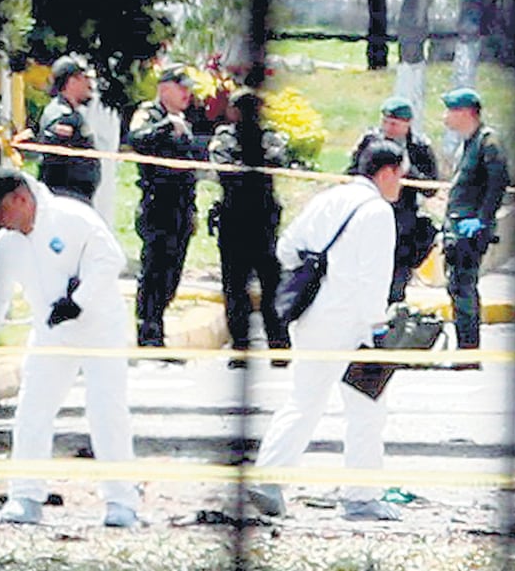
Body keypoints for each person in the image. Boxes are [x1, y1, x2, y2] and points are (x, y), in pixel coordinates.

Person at [0, 166, 139, 527]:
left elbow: (111, 259)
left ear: (20, 198)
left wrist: (79, 300)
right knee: (32, 410)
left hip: (100, 330)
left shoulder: (72, 216)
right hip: (51, 335)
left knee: (106, 412)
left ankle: (122, 503)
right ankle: (25, 497)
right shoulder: (6, 244)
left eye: (2, 211)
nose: (0, 221)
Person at [248, 139, 406, 521]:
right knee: (368, 411)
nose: (401, 184)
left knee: (304, 401)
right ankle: (361, 496)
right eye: (401, 176)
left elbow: (286, 249)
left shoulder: (327, 200)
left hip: (313, 319)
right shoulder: (378, 212)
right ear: (385, 173)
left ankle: (267, 479)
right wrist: (379, 332)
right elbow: (374, 281)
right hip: (356, 327)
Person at [208, 89, 289, 351]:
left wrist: (249, 168)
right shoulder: (224, 138)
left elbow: (277, 160)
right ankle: (240, 345)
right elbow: (224, 168)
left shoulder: (270, 137)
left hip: (263, 222)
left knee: (271, 287)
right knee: (235, 288)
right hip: (234, 221)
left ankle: (277, 342)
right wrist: (250, 168)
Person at [127, 64, 201, 348]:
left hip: (181, 209)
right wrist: (166, 125)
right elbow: (136, 140)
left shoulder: (185, 120)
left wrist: (193, 209)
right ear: (163, 87)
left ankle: (158, 326)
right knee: (154, 271)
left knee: (172, 273)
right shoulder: (150, 114)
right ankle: (148, 333)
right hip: (157, 207)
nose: (186, 93)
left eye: (188, 88)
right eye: (180, 87)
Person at [347, 96, 439, 303]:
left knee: (395, 285)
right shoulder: (370, 141)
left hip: (402, 222)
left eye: (395, 124)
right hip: (368, 215)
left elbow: (430, 188)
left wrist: (408, 171)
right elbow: (351, 173)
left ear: (407, 124)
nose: (388, 128)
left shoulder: (419, 147)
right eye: (385, 122)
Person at [440, 88, 509, 349]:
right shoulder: (468, 142)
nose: (445, 116)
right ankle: (465, 347)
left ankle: (468, 350)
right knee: (457, 288)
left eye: (450, 110)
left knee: (464, 287)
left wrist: (482, 219)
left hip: (470, 230)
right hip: (458, 228)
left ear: (466, 113)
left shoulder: (487, 140)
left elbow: (498, 180)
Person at [36, 54, 99, 203]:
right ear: (72, 81)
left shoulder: (71, 113)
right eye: (85, 78)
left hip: (75, 196)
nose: (90, 85)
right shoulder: (61, 115)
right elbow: (54, 150)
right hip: (66, 197)